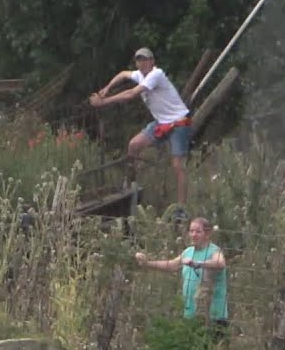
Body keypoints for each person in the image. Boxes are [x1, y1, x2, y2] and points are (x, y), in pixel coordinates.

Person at [90, 47, 193, 208]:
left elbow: (131, 94)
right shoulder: (139, 75)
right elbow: (123, 74)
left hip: (178, 122)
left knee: (178, 165)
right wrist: (107, 88)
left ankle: (181, 207)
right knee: (133, 145)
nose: (142, 63)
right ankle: (130, 186)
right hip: (161, 122)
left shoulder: (156, 75)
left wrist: (103, 102)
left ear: (152, 61)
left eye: (145, 59)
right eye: (139, 60)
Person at [135, 217, 228, 333]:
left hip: (213, 316)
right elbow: (172, 265)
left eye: (198, 232)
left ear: (207, 234)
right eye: (191, 231)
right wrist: (148, 264)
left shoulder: (214, 251)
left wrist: (198, 264)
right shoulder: (188, 251)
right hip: (191, 315)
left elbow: (220, 263)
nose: (194, 235)